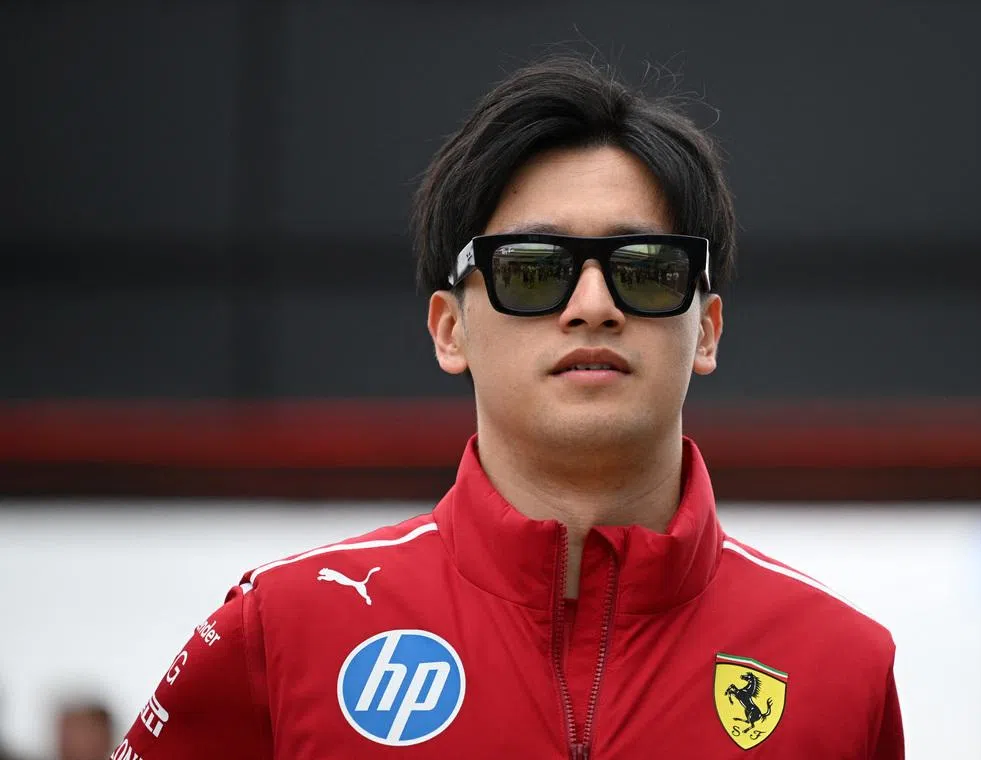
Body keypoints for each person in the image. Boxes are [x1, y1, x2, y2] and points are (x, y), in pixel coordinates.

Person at [115, 55, 903, 758]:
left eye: (647, 269)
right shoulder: (282, 629)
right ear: (449, 329)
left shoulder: (843, 667)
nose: (593, 305)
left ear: (707, 328)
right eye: (533, 271)